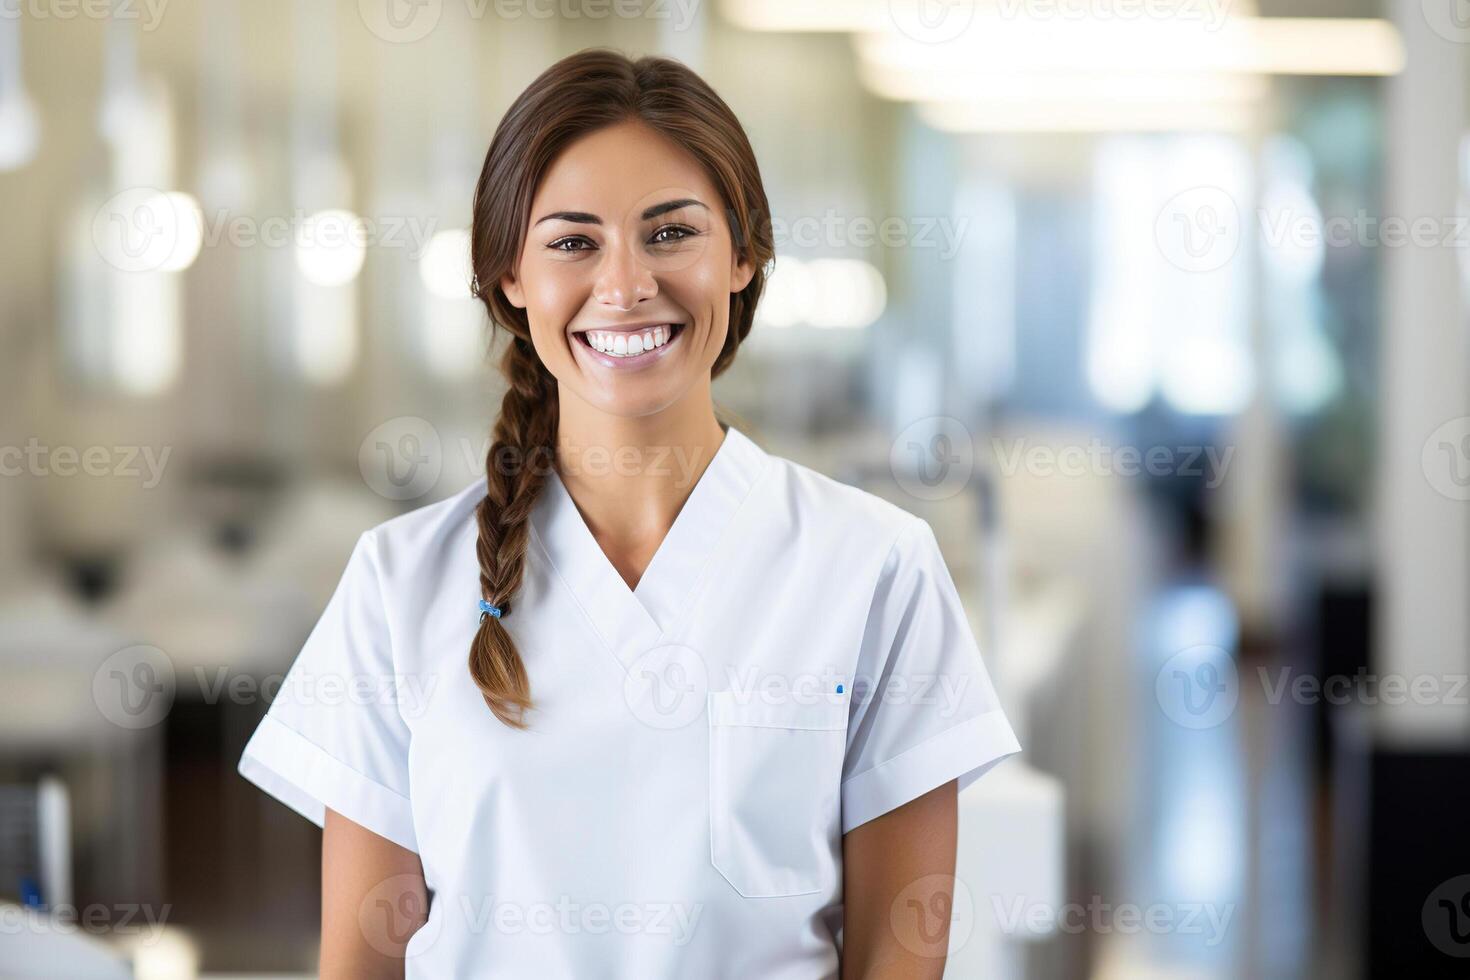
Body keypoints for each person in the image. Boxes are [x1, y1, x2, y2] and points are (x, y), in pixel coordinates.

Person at [238, 47, 1019, 979]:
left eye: (670, 233)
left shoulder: (876, 567)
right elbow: (364, 962)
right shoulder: (397, 581)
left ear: (744, 254)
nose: (625, 285)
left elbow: (899, 952)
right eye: (573, 242)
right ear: (509, 277)